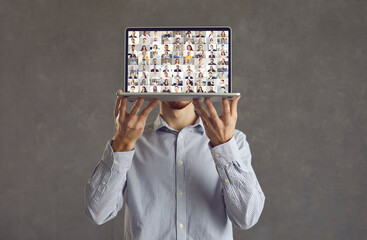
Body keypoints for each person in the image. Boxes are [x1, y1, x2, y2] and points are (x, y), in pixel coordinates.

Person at [84, 89, 265, 239]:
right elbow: (98, 213)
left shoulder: (234, 142)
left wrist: (224, 147)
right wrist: (122, 144)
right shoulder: (130, 142)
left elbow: (247, 218)